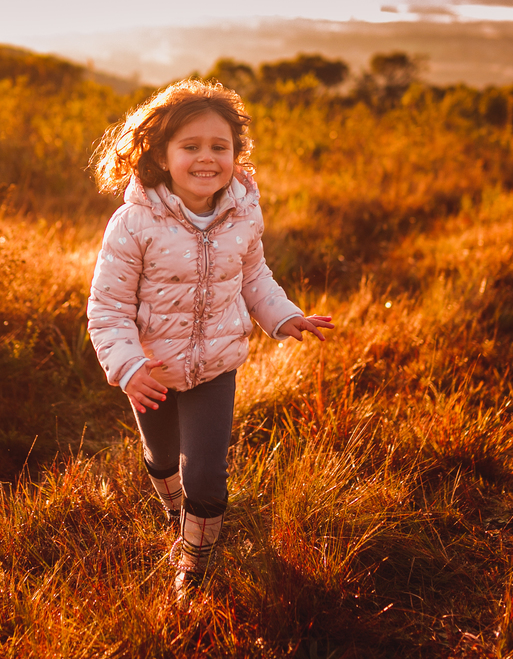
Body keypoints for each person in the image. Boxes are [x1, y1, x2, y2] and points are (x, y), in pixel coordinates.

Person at [87, 78, 333, 600]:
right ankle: (174, 514)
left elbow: (254, 278)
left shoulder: (242, 214)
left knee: (204, 471)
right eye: (191, 146)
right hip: (151, 372)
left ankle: (195, 565)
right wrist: (129, 367)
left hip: (216, 368)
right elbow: (107, 308)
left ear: (237, 156)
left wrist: (284, 316)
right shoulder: (135, 223)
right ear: (160, 154)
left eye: (219, 147)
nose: (206, 158)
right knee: (161, 456)